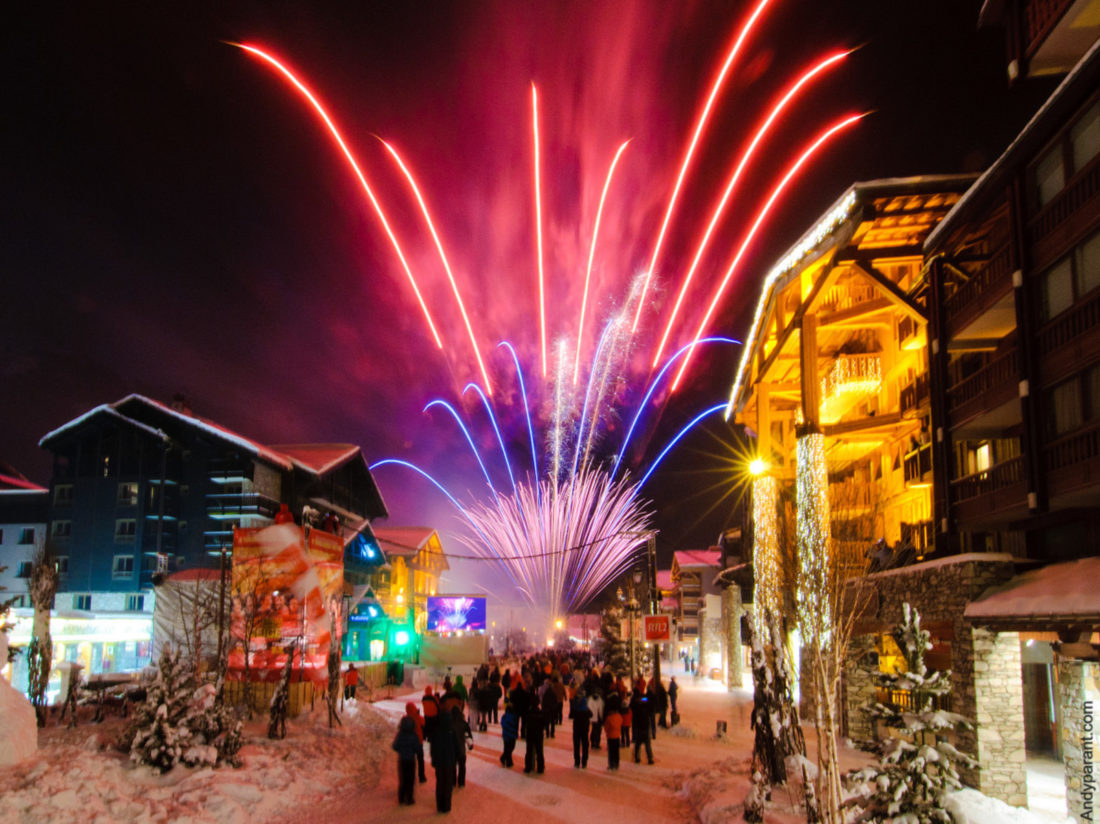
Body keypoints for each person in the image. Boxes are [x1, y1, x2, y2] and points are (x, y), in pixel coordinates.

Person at [430, 705, 460, 813]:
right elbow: (457, 746)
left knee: (440, 783)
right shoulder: (452, 731)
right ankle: (446, 806)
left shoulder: (436, 731)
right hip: (449, 762)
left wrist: (433, 759)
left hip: (439, 761)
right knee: (448, 784)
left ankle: (440, 805)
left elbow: (433, 747)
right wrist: (457, 757)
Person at [392, 715, 420, 805]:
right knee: (410, 779)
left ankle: (401, 798)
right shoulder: (414, 736)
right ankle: (409, 798)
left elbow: (395, 746)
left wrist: (401, 750)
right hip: (411, 760)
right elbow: (417, 748)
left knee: (403, 779)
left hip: (402, 760)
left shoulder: (400, 735)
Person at [523, 686, 547, 774]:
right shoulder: (541, 713)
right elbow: (544, 723)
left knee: (529, 750)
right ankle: (540, 768)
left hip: (530, 733)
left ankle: (528, 767)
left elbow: (525, 723)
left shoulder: (528, 713)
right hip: (538, 734)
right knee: (539, 751)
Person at [569, 686, 592, 768]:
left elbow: (571, 715)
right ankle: (584, 762)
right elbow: (591, 714)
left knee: (577, 745)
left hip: (576, 728)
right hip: (585, 728)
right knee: (585, 745)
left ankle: (577, 762)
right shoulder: (585, 705)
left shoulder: (575, 704)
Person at [630, 689, 654, 765]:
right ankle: (650, 758)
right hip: (645, 725)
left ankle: (637, 758)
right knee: (647, 744)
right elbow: (650, 705)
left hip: (639, 726)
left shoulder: (635, 704)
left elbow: (631, 707)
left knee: (638, 744)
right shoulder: (645, 701)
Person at [406, 702, 428, 783]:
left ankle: (411, 777)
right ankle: (421, 777)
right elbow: (424, 723)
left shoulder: (406, 719)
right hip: (418, 741)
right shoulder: (418, 717)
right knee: (420, 760)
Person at [452, 706, 473, 788]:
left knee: (453, 767)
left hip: (452, 750)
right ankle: (461, 782)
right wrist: (470, 744)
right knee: (462, 766)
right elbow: (468, 735)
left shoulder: (449, 724)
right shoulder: (464, 724)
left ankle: (453, 782)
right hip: (461, 749)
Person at [603, 693, 622, 771]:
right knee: (616, 751)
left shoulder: (609, 718)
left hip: (610, 736)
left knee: (611, 752)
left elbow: (606, 727)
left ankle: (611, 764)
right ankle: (616, 764)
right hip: (617, 736)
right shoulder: (619, 716)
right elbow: (621, 722)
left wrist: (607, 731)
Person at [500, 699, 519, 768]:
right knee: (510, 748)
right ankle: (508, 761)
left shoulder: (506, 716)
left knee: (508, 748)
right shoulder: (514, 717)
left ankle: (505, 759)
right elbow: (515, 726)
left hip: (507, 735)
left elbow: (503, 724)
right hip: (511, 735)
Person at [588, 687, 604, 751]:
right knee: (598, 731)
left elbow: (588, 707)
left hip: (592, 717)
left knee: (593, 730)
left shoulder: (590, 699)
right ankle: (597, 743)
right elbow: (601, 710)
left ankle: (592, 743)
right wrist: (602, 717)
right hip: (598, 718)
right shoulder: (600, 700)